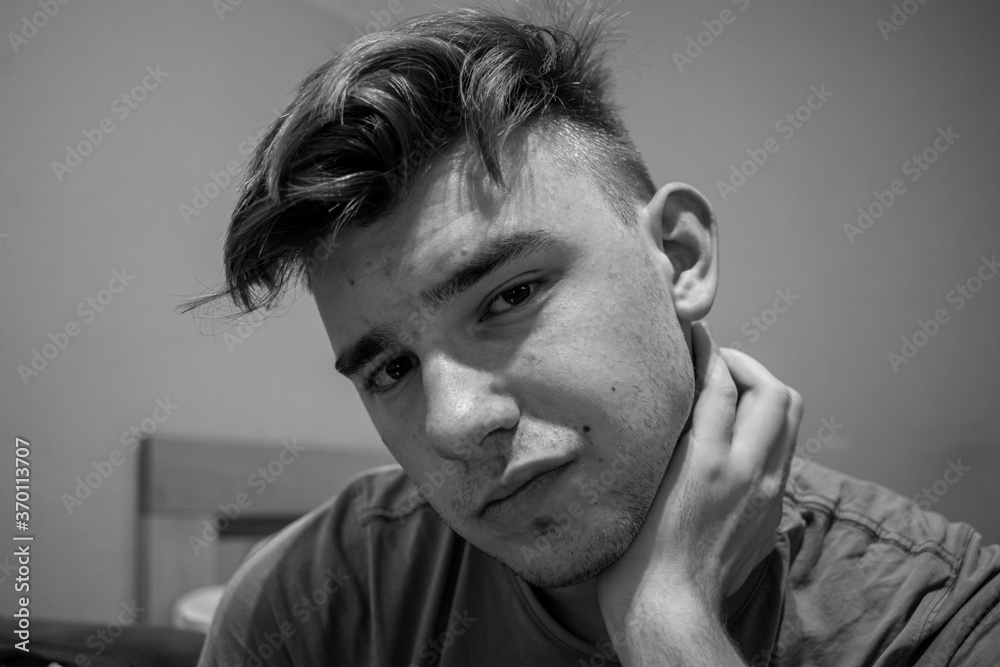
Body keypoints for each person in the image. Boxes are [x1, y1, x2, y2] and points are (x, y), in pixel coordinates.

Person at [185, 5, 1000, 665]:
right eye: (391, 367)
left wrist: (670, 626)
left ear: (679, 256)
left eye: (510, 296)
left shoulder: (937, 617)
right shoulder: (311, 607)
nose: (454, 422)